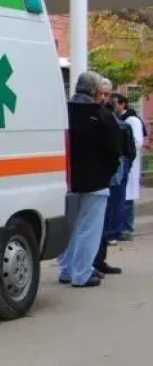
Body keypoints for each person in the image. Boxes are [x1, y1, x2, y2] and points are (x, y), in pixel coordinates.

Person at [59, 71, 121, 288]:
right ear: (95, 91)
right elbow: (115, 150)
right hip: (96, 182)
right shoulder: (101, 115)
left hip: (67, 180)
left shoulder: (63, 111)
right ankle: (82, 274)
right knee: (89, 229)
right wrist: (108, 172)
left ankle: (66, 270)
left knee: (69, 228)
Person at [93, 91, 133, 276]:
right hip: (111, 178)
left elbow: (127, 152)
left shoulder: (117, 125)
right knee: (104, 220)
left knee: (103, 220)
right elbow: (127, 152)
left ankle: (98, 260)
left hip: (107, 177)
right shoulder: (119, 126)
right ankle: (96, 261)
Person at [119, 97, 144, 241]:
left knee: (127, 198)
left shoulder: (132, 120)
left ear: (122, 104)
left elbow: (137, 142)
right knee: (123, 197)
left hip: (129, 162)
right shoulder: (121, 119)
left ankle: (127, 229)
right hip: (123, 163)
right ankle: (122, 228)